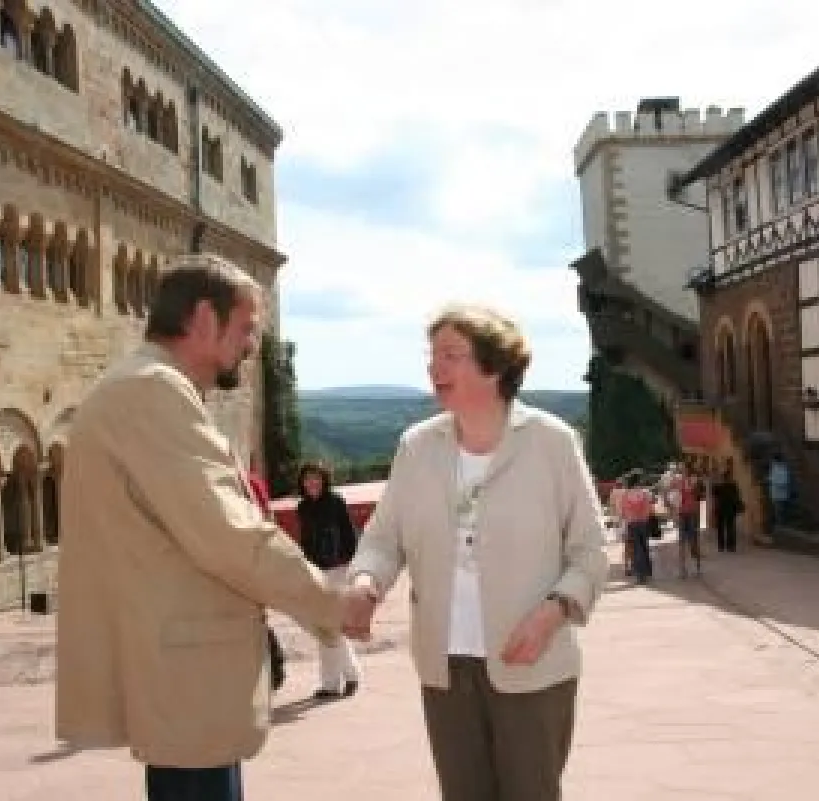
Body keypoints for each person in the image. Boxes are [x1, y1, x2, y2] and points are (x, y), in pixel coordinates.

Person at [55, 253, 366, 801]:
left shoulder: (143, 386)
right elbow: (229, 536)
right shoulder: (153, 391)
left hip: (182, 678)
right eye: (246, 328)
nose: (251, 345)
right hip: (187, 682)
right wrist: (330, 605)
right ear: (203, 319)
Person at [341, 304, 608, 801]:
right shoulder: (417, 448)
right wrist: (365, 583)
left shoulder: (551, 443)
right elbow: (383, 539)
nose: (434, 367)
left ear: (494, 366)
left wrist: (552, 615)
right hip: (445, 667)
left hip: (532, 661)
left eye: (451, 355)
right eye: (432, 355)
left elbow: (591, 552)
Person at [295, 461, 364, 700]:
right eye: (308, 479)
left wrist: (352, 569)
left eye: (316, 478)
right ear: (303, 483)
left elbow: (349, 536)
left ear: (324, 480)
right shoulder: (302, 507)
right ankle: (340, 679)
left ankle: (340, 680)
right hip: (315, 572)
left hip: (337, 570)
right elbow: (305, 542)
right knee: (324, 628)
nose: (312, 483)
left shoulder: (336, 503)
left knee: (331, 626)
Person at [245, 463, 288, 694]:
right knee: (258, 618)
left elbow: (266, 519)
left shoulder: (248, 482)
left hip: (251, 558)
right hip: (256, 557)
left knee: (255, 619)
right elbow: (270, 519)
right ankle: (273, 670)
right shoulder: (252, 481)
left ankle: (273, 669)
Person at [712, 463, 744, 553]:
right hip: (730, 509)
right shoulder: (733, 486)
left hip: (720, 509)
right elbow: (737, 497)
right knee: (730, 527)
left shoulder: (719, 486)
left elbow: (714, 495)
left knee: (721, 528)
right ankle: (731, 546)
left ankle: (721, 546)